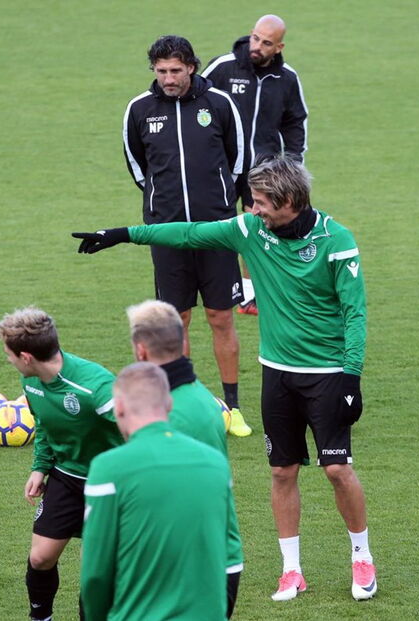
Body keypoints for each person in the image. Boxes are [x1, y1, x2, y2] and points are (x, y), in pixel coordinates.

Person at [73, 155, 378, 601]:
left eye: (259, 203)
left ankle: (361, 555)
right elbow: (188, 232)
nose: (252, 210)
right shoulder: (251, 231)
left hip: (328, 374)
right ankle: (292, 570)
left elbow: (356, 312)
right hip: (277, 373)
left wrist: (351, 377)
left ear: (287, 200)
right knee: (281, 470)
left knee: (336, 468)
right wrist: (121, 235)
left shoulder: (337, 240)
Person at [122, 35, 253, 437]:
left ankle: (232, 408)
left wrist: (218, 202)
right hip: (166, 233)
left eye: (175, 70)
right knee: (176, 321)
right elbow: (137, 165)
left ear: (191, 67)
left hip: (215, 231)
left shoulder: (218, 104)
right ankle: (185, 406)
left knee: (220, 317)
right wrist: (162, 206)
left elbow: (239, 161)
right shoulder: (139, 110)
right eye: (161, 71)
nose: (168, 78)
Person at [0, 307, 123, 621]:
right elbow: (44, 424)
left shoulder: (96, 386)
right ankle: (41, 618)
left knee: (98, 572)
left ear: (26, 356)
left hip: (111, 485)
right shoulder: (32, 382)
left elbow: (141, 431)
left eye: (9, 354)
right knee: (40, 558)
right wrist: (40, 467)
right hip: (66, 477)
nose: (7, 360)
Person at [81, 362, 233, 621]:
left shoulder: (108, 468)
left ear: (118, 408)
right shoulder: (216, 463)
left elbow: (95, 572)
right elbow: (229, 552)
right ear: (169, 405)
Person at [126, 299, 243, 618]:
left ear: (141, 351)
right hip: (219, 553)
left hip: (188, 565)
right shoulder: (204, 399)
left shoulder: (164, 414)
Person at [202, 14, 308, 316]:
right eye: (256, 38)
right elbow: (196, 100)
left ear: (279, 46)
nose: (257, 46)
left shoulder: (286, 78)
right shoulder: (223, 67)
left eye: (266, 43)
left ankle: (251, 294)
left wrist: (294, 161)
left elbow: (295, 121)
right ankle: (219, 288)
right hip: (222, 167)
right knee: (220, 227)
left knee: (259, 227)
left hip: (263, 169)